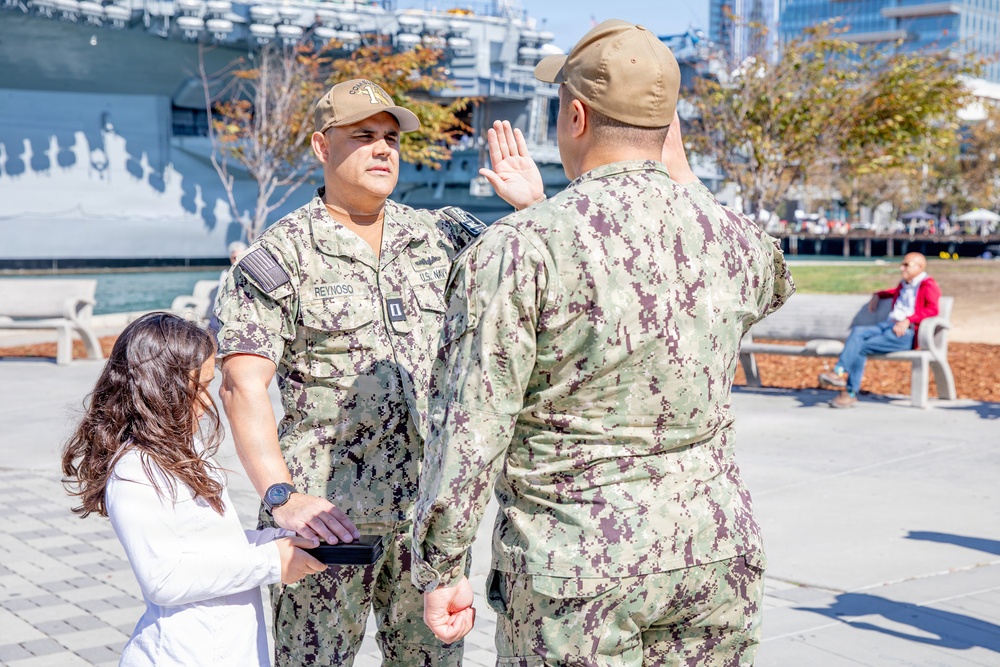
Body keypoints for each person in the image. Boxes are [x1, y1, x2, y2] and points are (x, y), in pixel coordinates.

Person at [411, 19, 795, 666]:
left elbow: (470, 426)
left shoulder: (522, 248)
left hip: (578, 567)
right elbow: (774, 279)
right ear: (669, 125)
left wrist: (443, 562)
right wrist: (677, 171)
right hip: (712, 552)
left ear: (577, 115)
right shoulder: (734, 239)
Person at [214, 79, 535, 666]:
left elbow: (540, 282)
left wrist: (530, 211)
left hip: (428, 525)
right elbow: (242, 383)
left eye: (390, 137)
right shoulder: (283, 253)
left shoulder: (441, 236)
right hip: (329, 524)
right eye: (363, 136)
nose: (383, 148)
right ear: (320, 146)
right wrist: (282, 497)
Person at [60, 312, 324, 667]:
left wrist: (277, 540)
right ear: (158, 387)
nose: (207, 401)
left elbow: (205, 545)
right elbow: (164, 577)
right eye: (198, 387)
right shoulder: (135, 469)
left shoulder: (188, 450)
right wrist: (270, 561)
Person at [818, 252, 940, 408]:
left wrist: (909, 319)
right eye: (902, 264)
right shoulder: (904, 283)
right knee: (857, 332)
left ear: (920, 267)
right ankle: (838, 373)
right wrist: (877, 295)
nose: (901, 268)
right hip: (887, 325)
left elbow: (933, 310)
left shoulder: (927, 284)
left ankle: (849, 390)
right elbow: (891, 292)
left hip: (905, 333)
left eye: (906, 265)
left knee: (860, 347)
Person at [208, 240, 248, 336]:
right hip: (218, 316)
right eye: (233, 258)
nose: (236, 260)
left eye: (239, 257)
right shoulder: (225, 273)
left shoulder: (248, 276)